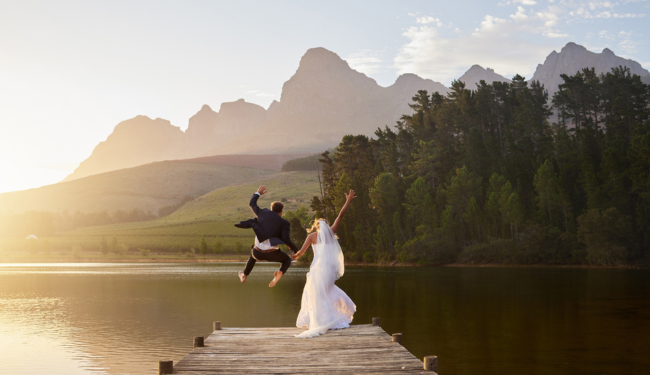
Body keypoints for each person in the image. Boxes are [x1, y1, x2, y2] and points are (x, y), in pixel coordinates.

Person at [292, 189, 357, 338]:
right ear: (327, 227)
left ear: (316, 226)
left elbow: (300, 253)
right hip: (329, 270)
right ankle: (326, 319)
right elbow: (341, 216)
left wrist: (294, 255)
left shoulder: (312, 237)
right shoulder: (330, 234)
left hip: (317, 270)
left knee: (316, 294)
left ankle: (320, 320)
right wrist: (348, 201)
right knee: (326, 292)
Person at [234, 185, 298, 287]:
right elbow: (286, 239)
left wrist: (258, 193)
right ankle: (280, 272)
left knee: (253, 253)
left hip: (257, 253)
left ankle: (244, 274)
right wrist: (295, 250)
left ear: (272, 209)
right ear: (281, 212)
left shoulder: (262, 213)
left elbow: (252, 203)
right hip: (273, 254)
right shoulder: (284, 223)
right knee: (287, 260)